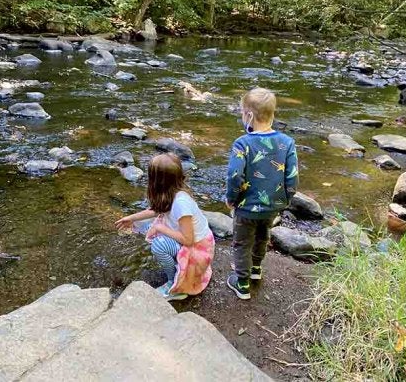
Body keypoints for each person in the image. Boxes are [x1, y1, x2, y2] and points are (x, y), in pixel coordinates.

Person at [225, 88, 299, 300]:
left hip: (246, 207)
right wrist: (286, 199)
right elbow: (292, 177)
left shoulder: (242, 143)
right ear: (272, 114)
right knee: (262, 236)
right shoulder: (287, 143)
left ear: (248, 115)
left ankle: (242, 283)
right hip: (272, 206)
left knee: (242, 242)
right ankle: (256, 269)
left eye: (241, 112)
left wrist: (231, 199)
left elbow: (234, 175)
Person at [115, 153, 215, 301]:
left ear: (157, 182)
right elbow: (158, 209)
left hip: (197, 250)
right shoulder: (173, 192)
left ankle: (175, 285)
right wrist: (131, 218)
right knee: (149, 225)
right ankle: (179, 266)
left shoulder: (181, 203)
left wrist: (160, 229)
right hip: (192, 242)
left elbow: (188, 240)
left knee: (158, 245)